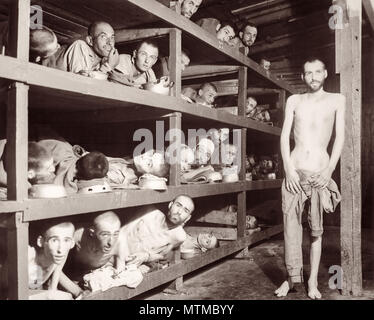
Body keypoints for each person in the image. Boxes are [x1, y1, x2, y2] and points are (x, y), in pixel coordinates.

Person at [275, 57, 345, 299]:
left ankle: (312, 282)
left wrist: (329, 171)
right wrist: (288, 168)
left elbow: (340, 138)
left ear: (325, 73)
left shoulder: (337, 100)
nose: (313, 77)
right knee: (290, 229)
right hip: (295, 172)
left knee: (316, 231)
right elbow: (285, 137)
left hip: (319, 174)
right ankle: (291, 279)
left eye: (317, 72)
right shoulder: (294, 100)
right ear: (303, 76)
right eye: (308, 73)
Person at [118, 195, 195, 267]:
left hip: (134, 264)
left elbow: (162, 254)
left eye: (186, 210)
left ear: (188, 218)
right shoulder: (149, 212)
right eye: (178, 205)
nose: (179, 212)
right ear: (170, 204)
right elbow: (123, 231)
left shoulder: (179, 236)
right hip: (117, 253)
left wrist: (146, 257)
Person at [28, 219, 78, 300]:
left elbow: (52, 288)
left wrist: (79, 292)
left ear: (72, 243)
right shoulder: (29, 255)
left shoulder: (60, 254)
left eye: (66, 240)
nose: (60, 249)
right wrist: (49, 296)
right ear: (41, 241)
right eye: (54, 240)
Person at [66, 211, 122, 280]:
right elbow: (57, 267)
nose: (111, 242)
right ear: (92, 233)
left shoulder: (120, 242)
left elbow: (120, 274)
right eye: (105, 235)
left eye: (115, 234)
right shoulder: (77, 236)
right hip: (71, 271)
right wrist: (77, 290)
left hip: (97, 274)